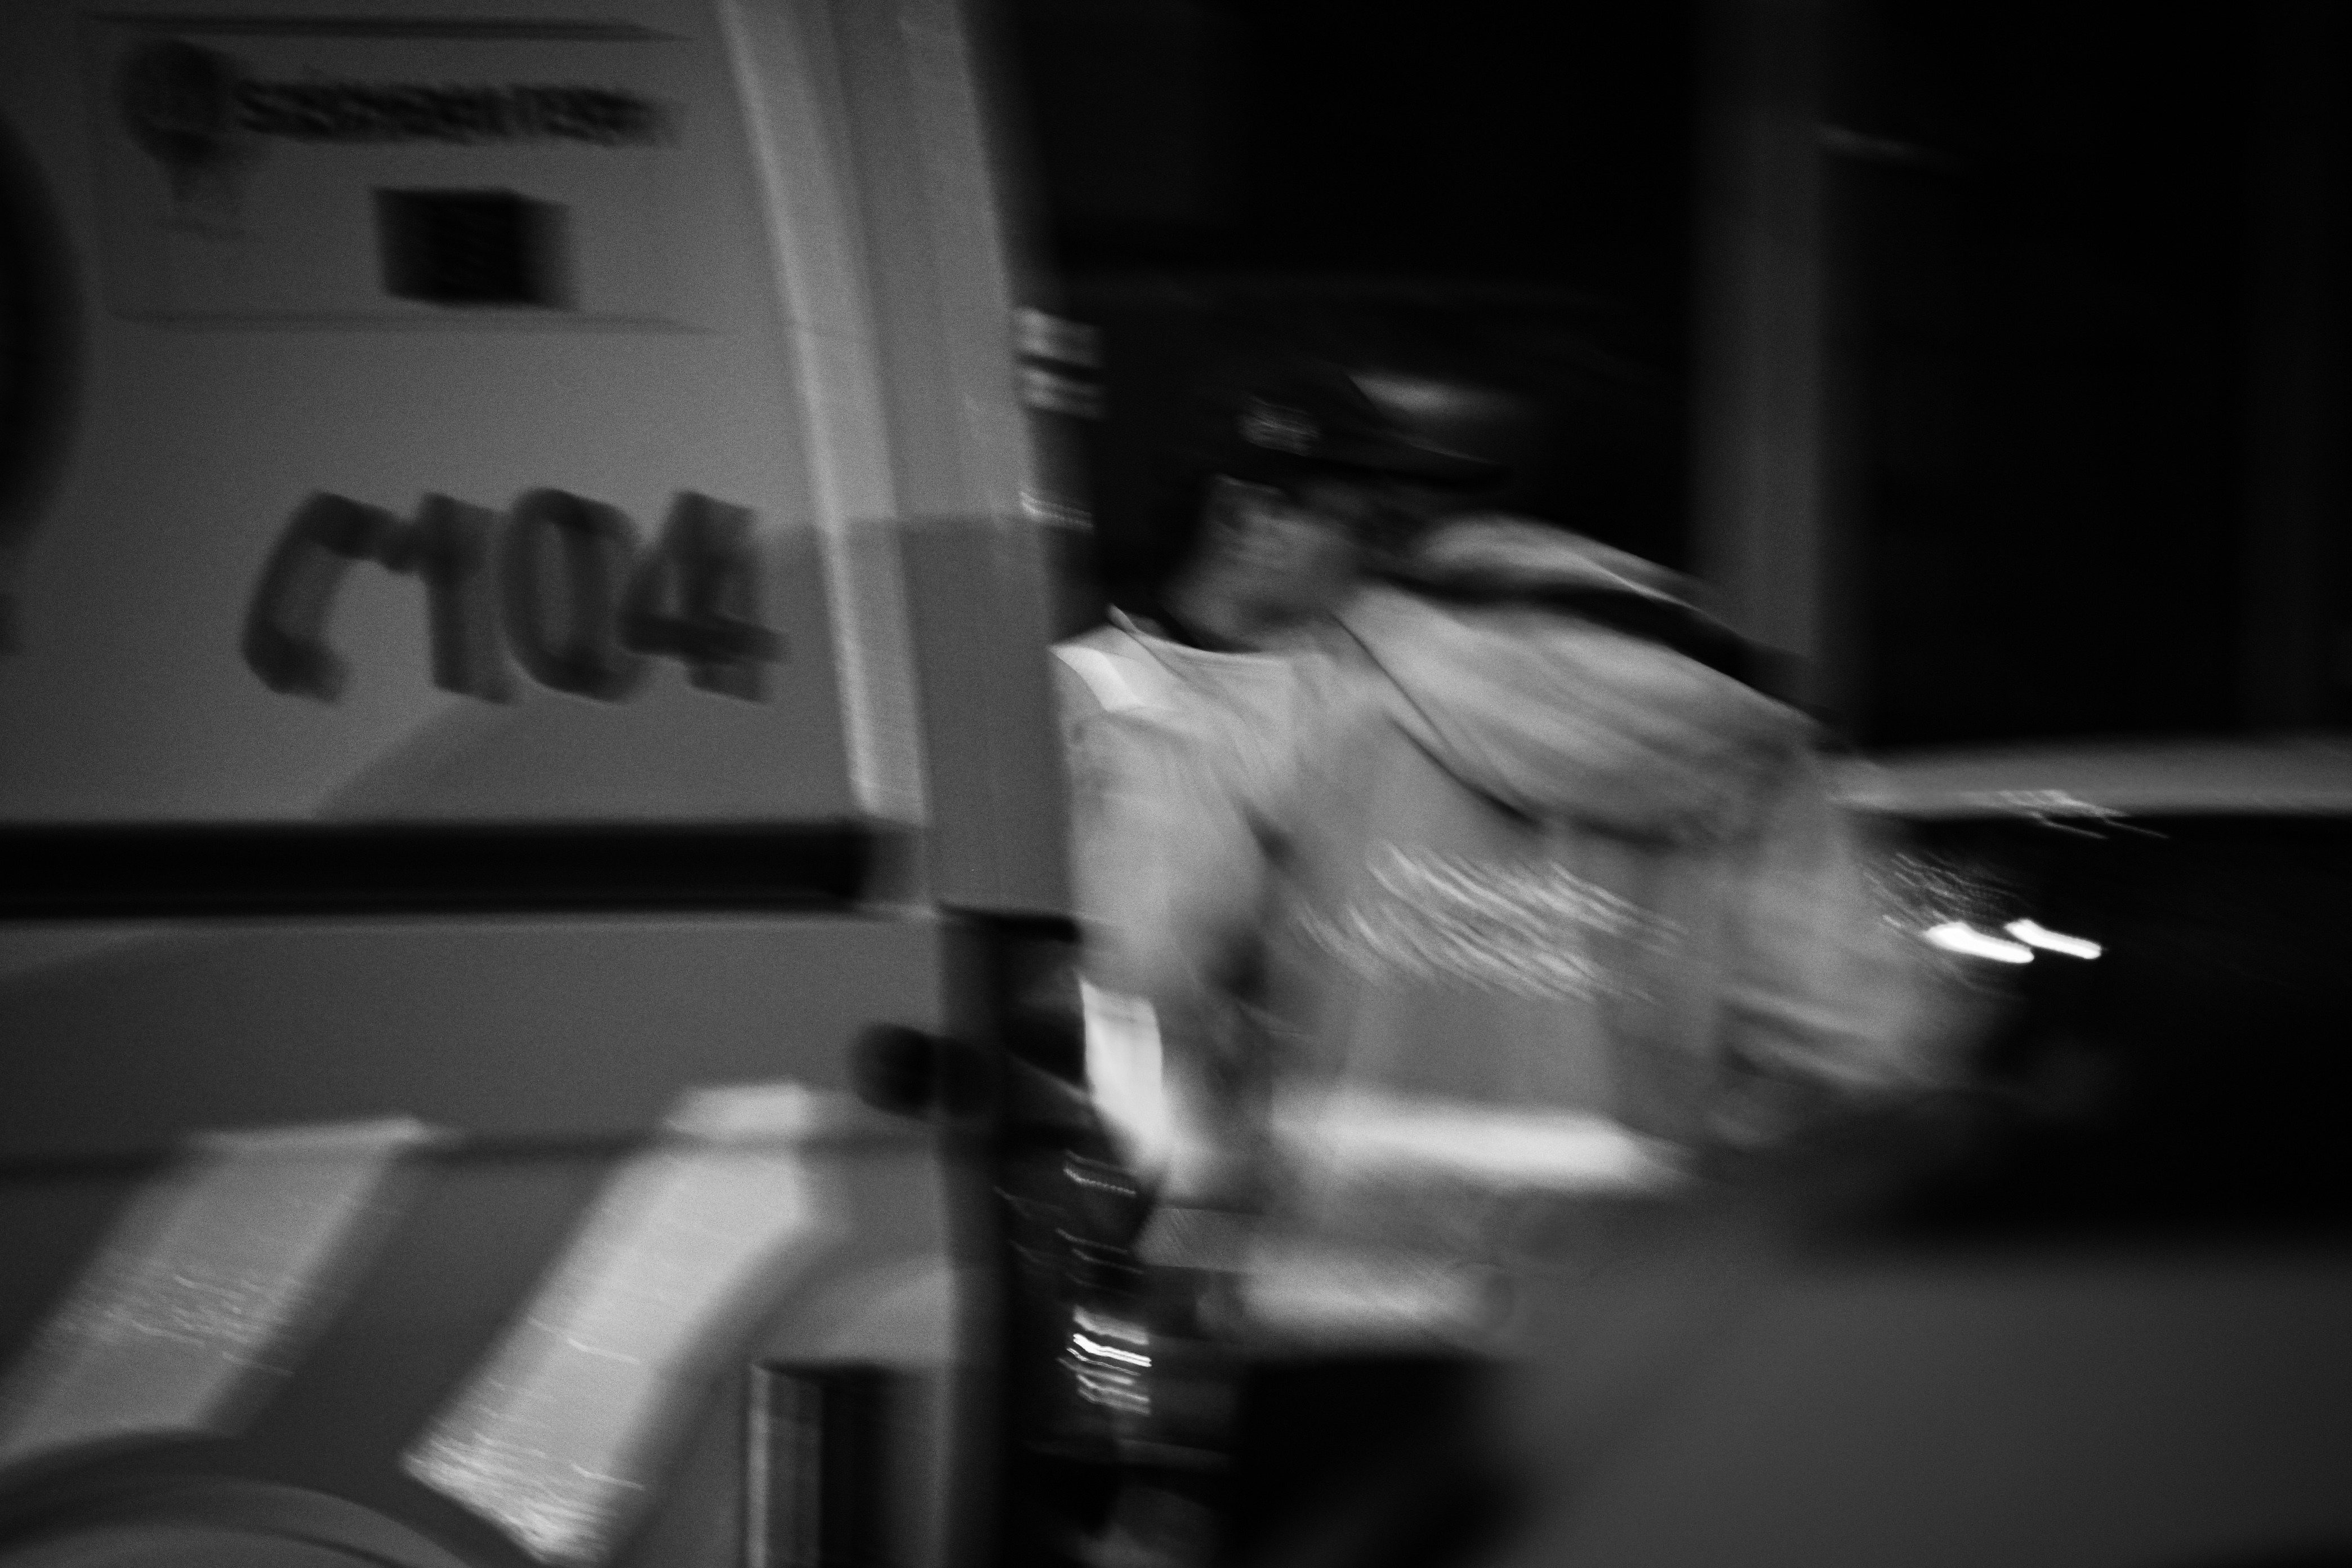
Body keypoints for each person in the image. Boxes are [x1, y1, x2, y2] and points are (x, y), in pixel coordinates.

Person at [1058, 329, 1959, 1568]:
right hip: (1632, 1369)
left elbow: (1149, 950)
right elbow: (1885, 1046)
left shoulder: (1308, 705)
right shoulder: (1757, 758)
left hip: (1336, 1361)